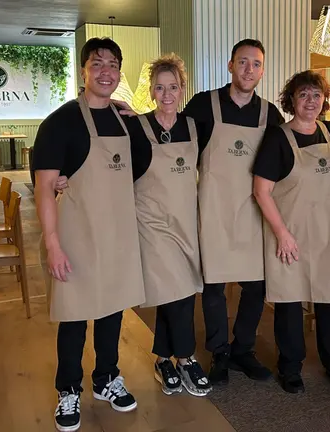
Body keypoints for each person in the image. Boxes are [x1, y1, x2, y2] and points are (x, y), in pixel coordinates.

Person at [33, 37, 145, 432]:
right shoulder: (61, 122)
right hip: (77, 235)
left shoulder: (125, 121)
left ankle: (106, 379)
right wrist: (52, 243)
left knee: (113, 310)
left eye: (113, 64)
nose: (106, 71)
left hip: (117, 235)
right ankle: (68, 389)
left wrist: (135, 116)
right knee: (75, 315)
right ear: (83, 70)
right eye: (97, 63)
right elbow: (44, 187)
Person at [181, 39, 285, 385]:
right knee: (213, 288)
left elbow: (288, 158)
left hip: (253, 213)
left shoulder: (270, 114)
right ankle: (219, 353)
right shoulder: (203, 104)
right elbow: (175, 141)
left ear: (262, 70)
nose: (248, 70)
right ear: (230, 66)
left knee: (255, 288)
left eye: (256, 64)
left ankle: (243, 349)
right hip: (212, 211)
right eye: (242, 62)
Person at [252, 70, 330, 393]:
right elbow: (261, 191)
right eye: (304, 94)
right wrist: (281, 233)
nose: (310, 101)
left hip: (326, 235)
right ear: (291, 99)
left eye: (316, 95)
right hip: (290, 234)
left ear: (324, 100)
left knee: (329, 300)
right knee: (290, 302)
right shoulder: (278, 138)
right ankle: (290, 367)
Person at [128, 54, 212, 396]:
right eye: (160, 88)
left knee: (173, 290)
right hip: (150, 222)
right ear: (151, 92)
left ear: (182, 90)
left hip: (185, 222)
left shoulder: (194, 127)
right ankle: (186, 358)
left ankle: (163, 358)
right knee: (179, 290)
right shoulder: (137, 127)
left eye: (173, 87)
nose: (166, 94)